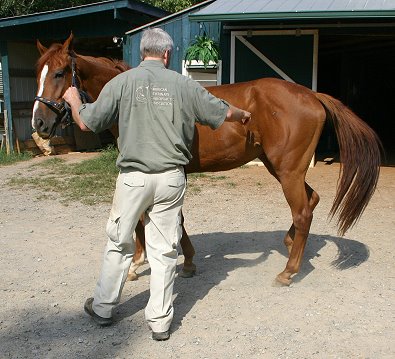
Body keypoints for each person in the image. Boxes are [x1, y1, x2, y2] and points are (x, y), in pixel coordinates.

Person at [63, 27, 251, 341]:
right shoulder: (183, 85)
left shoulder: (121, 83)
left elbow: (86, 122)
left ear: (142, 54)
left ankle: (104, 307)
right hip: (171, 178)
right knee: (164, 250)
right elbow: (223, 111)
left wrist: (72, 99)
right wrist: (243, 113)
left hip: (134, 179)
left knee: (119, 242)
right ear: (167, 54)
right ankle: (161, 323)